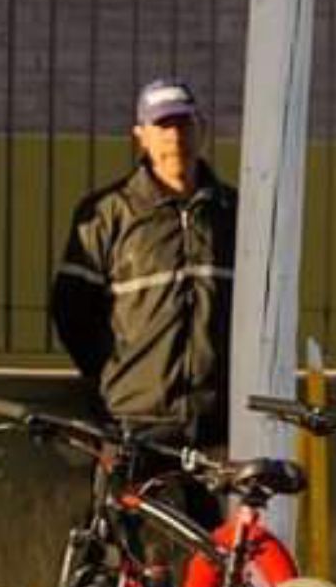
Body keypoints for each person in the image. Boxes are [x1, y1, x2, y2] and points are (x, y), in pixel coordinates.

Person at [50, 80, 238, 455]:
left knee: (217, 518)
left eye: (183, 124)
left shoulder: (233, 212)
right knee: (125, 514)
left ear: (201, 129)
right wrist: (116, 380)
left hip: (219, 423)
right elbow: (71, 311)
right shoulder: (107, 214)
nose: (174, 136)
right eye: (162, 126)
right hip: (133, 422)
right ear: (141, 136)